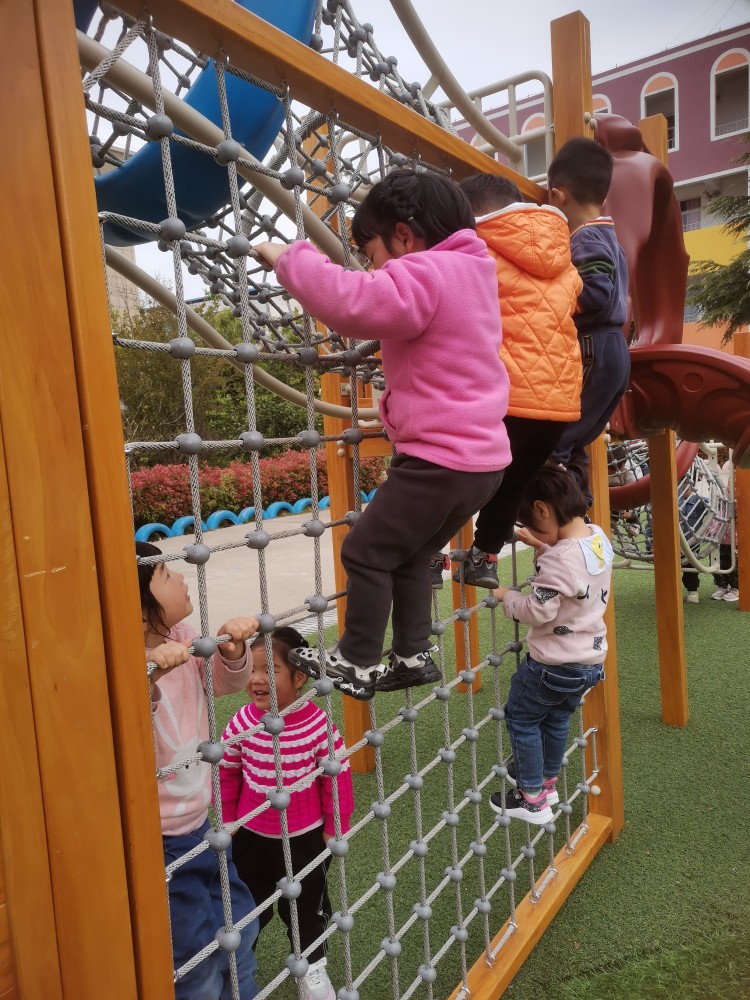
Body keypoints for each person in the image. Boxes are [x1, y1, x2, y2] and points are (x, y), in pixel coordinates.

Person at [254, 170, 510, 700]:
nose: (374, 268)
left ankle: (356, 660)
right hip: (484, 464)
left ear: (404, 235)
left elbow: (353, 303)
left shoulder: (426, 271)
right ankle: (413, 655)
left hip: (439, 461)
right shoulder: (477, 274)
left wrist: (289, 259)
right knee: (412, 554)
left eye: (372, 254)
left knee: (366, 551)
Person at [138, 540, 260, 1000]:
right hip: (162, 841)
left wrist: (233, 649)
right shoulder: (123, 661)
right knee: (192, 957)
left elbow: (224, 683)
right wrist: (149, 676)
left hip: (202, 824)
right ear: (139, 608)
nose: (181, 577)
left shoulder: (184, 636)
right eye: (166, 575)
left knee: (241, 924)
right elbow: (124, 733)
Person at [447, 172, 582, 589]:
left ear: (472, 216)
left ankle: (429, 555)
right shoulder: (562, 254)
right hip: (560, 404)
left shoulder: (478, 250)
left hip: (511, 396)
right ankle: (485, 558)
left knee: (454, 472)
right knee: (514, 480)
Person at [219, 627, 354, 1000]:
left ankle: (311, 966)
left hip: (305, 838)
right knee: (246, 907)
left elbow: (336, 776)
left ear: (299, 677)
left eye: (270, 669)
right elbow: (227, 771)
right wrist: (228, 818)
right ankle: (238, 967)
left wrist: (334, 826)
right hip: (251, 837)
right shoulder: (242, 722)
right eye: (252, 670)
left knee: (307, 906)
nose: (257, 679)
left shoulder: (316, 724)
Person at [489, 466, 612, 824]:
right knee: (557, 720)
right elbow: (576, 573)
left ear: (542, 509)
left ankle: (531, 798)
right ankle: (547, 782)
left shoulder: (559, 560)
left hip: (553, 665)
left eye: (533, 524)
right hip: (589, 662)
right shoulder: (597, 537)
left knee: (522, 719)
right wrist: (541, 544)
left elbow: (537, 610)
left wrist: (505, 594)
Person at [545, 137, 632, 502]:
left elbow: (594, 292)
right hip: (614, 348)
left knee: (559, 436)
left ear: (557, 196)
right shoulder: (611, 238)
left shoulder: (585, 238)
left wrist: (556, 302)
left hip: (595, 345)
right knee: (579, 434)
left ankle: (553, 494)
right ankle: (578, 504)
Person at [711, 459, 739, 602]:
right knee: (719, 562)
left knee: (736, 564)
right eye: (729, 484)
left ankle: (736, 588)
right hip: (721, 538)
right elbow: (714, 517)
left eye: (734, 485)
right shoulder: (723, 501)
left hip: (737, 539)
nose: (730, 488)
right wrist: (711, 531)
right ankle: (721, 586)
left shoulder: (742, 502)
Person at [679, 481, 711, 604]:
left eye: (686, 490)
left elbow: (710, 505)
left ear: (691, 489)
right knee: (672, 566)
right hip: (675, 542)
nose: (683, 493)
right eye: (681, 490)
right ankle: (671, 589)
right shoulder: (676, 502)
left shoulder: (698, 501)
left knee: (690, 566)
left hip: (692, 542)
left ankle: (692, 591)